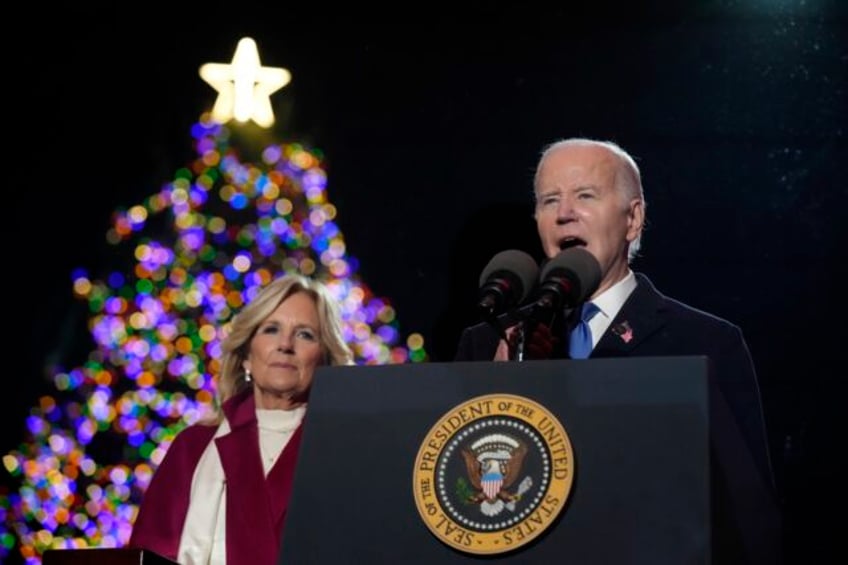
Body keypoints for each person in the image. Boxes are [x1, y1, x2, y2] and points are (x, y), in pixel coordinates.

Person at [454, 137, 774, 489]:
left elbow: (745, 505)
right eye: (549, 200)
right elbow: (461, 485)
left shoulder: (704, 343)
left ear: (633, 218)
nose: (564, 214)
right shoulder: (488, 342)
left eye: (585, 195)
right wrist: (499, 390)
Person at [128, 273, 353, 565]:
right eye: (271, 329)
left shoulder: (344, 452)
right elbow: (147, 555)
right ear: (247, 355)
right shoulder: (192, 447)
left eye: (305, 334)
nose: (285, 344)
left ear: (324, 359)